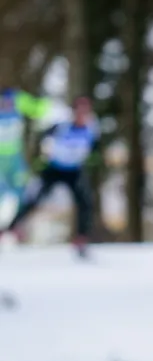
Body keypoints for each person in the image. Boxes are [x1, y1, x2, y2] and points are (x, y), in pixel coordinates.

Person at [5, 96, 99, 256]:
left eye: (85, 111)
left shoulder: (92, 126)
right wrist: (43, 156)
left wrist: (89, 157)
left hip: (74, 170)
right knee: (34, 199)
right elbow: (44, 139)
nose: (82, 114)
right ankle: (10, 229)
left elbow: (94, 146)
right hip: (54, 168)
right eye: (79, 110)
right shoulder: (62, 125)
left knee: (85, 201)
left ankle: (81, 238)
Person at [0, 88, 49, 221]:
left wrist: (45, 99)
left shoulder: (16, 98)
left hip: (15, 156)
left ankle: (15, 225)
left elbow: (39, 110)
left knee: (21, 190)